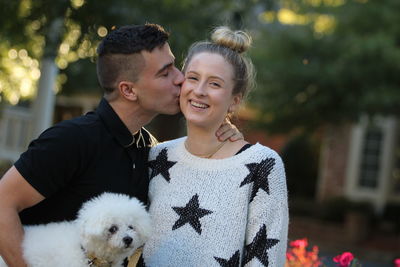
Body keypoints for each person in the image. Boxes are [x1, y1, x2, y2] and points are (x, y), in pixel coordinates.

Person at [0, 24, 241, 267]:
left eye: (174, 65)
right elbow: (2, 203)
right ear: (128, 90)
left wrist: (222, 133)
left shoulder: (150, 148)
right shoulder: (72, 140)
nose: (180, 78)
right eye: (165, 73)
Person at [143, 26, 289, 266]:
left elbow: (266, 260)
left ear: (234, 101)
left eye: (214, 84)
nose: (199, 91)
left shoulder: (261, 166)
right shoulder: (157, 156)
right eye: (193, 78)